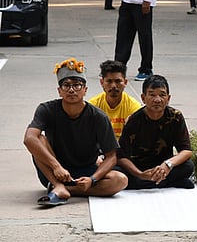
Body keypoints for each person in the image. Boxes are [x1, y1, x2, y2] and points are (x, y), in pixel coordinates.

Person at [23, 58, 128, 206]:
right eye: (66, 85)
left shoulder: (98, 117)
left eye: (77, 85)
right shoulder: (47, 109)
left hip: (86, 170)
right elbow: (29, 139)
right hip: (53, 171)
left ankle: (63, 189)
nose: (71, 90)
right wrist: (56, 167)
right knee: (38, 138)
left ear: (85, 90)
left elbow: (111, 157)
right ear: (59, 91)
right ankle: (56, 185)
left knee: (120, 180)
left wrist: (93, 180)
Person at [117, 75, 195, 189]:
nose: (157, 100)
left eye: (162, 95)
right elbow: (121, 157)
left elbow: (186, 151)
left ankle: (149, 183)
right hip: (138, 167)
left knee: (188, 166)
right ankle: (165, 183)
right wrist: (140, 174)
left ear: (168, 98)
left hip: (163, 166)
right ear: (143, 98)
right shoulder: (134, 120)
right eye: (152, 95)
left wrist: (168, 165)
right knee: (117, 172)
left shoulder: (175, 116)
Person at [114, 0, 160, 82]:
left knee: (144, 36)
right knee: (123, 36)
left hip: (141, 1)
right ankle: (119, 67)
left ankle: (146, 69)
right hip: (127, 0)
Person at [88, 60, 141, 140]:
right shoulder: (93, 106)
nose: (113, 86)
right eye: (109, 81)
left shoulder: (134, 107)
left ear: (125, 82)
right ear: (102, 82)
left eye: (118, 81)